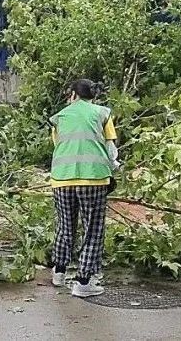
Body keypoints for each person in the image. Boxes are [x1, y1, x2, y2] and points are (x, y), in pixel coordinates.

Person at [49, 79, 119, 298]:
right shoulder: (102, 113)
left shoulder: (59, 117)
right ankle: (84, 281)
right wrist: (114, 169)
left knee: (65, 225)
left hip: (62, 178)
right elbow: (110, 150)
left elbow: (59, 145)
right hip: (93, 178)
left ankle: (59, 273)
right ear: (93, 97)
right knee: (92, 229)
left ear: (72, 95)